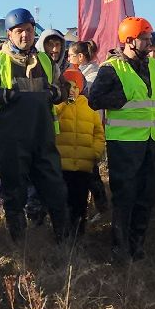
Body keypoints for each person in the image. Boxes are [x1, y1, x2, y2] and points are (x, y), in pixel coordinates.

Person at [0, 8, 69, 242]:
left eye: (28, 30)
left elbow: (65, 88)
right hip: (11, 140)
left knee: (56, 189)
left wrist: (55, 92)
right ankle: (20, 245)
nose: (25, 35)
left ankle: (65, 243)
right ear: (9, 34)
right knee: (14, 193)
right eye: (19, 31)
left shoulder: (45, 60)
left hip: (43, 138)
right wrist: (4, 95)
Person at [88, 16, 155, 261]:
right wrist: (121, 98)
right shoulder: (111, 68)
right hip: (124, 145)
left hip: (151, 141)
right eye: (144, 39)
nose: (150, 43)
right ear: (129, 41)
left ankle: (138, 247)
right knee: (125, 197)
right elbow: (95, 99)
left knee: (146, 196)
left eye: (149, 38)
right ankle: (119, 248)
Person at [53, 68, 105, 239]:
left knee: (80, 202)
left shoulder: (89, 109)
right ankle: (60, 235)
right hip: (61, 166)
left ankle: (78, 236)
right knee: (61, 202)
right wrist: (62, 103)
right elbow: (50, 121)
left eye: (76, 86)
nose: (72, 90)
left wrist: (95, 152)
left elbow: (99, 133)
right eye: (68, 86)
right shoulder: (58, 107)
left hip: (83, 166)